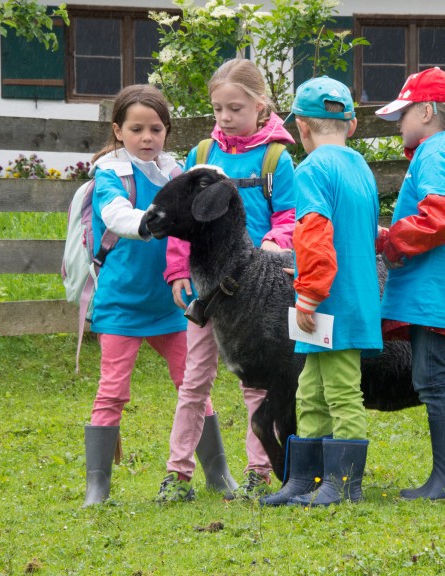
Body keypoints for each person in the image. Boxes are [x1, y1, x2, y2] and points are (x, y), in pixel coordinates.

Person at [156, 59, 297, 502]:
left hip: (257, 296)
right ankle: (178, 474)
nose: (224, 118)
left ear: (261, 106)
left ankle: (260, 470)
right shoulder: (201, 156)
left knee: (256, 383)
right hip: (207, 292)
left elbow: (290, 215)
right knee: (194, 379)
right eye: (218, 109)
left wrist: (276, 242)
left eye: (234, 108)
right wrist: (178, 268)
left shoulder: (276, 158)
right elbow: (182, 220)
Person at [260, 77, 382, 507]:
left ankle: (344, 484)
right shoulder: (360, 166)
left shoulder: (312, 169)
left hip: (331, 303)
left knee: (343, 391)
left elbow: (312, 234)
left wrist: (308, 295)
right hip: (353, 298)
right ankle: (302, 479)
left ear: (302, 129)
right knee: (309, 389)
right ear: (349, 125)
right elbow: (367, 232)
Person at [373, 67, 445, 501]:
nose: (399, 123)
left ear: (427, 111)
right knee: (433, 377)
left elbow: (439, 216)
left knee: (432, 379)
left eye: (403, 114)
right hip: (443, 286)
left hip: (432, 287)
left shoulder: (437, 151)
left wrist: (391, 240)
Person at [83, 84, 186, 507]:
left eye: (156, 129)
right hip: (122, 302)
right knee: (112, 391)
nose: (148, 137)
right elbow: (114, 214)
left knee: (192, 384)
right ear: (118, 131)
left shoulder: (176, 173)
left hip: (171, 302)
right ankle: (97, 487)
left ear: (166, 131)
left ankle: (217, 473)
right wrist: (151, 221)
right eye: (137, 129)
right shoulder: (110, 174)